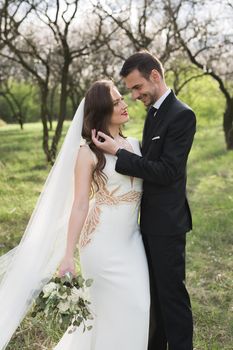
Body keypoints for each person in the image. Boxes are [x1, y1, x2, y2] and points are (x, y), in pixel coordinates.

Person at [0, 80, 150, 350]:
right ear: (102, 110)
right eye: (115, 102)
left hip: (131, 242)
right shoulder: (87, 152)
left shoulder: (137, 145)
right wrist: (68, 255)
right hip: (100, 246)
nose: (124, 104)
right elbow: (80, 204)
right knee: (107, 314)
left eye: (121, 98)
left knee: (139, 306)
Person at [92, 52, 196, 350]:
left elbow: (166, 171)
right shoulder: (153, 113)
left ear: (154, 75)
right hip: (144, 224)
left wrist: (118, 153)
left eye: (137, 87)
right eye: (131, 91)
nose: (135, 95)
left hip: (167, 223)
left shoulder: (181, 115)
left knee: (172, 298)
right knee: (154, 298)